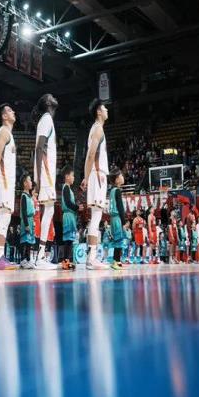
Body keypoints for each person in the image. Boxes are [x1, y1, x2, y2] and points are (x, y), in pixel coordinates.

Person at [80, 99, 110, 270]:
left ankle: (91, 257)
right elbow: (90, 154)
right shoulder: (98, 128)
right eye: (104, 108)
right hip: (97, 174)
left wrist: (86, 176)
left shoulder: (96, 128)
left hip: (95, 174)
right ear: (99, 112)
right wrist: (86, 176)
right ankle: (92, 258)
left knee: (96, 216)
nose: (107, 110)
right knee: (96, 216)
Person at [33, 94, 59, 270]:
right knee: (48, 211)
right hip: (46, 172)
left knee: (49, 211)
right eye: (51, 96)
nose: (54, 97)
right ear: (48, 103)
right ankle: (40, 256)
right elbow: (38, 148)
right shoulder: (47, 119)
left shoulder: (47, 120)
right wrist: (39, 177)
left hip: (46, 172)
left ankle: (40, 255)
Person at [0, 103, 18, 270]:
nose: (13, 112)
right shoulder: (3, 131)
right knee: (3, 216)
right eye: (9, 110)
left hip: (8, 181)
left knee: (6, 217)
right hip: (3, 181)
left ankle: (1, 257)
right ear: (4, 116)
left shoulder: (9, 134)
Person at [61, 165, 80, 270]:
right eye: (72, 175)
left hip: (70, 215)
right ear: (67, 176)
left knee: (70, 240)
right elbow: (68, 203)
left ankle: (67, 261)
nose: (74, 178)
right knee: (68, 240)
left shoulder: (68, 189)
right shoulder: (66, 188)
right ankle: (65, 261)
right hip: (68, 215)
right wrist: (77, 207)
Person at [109, 168, 126, 270]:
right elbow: (120, 207)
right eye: (121, 175)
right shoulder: (118, 191)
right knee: (119, 240)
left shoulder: (112, 191)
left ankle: (117, 261)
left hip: (113, 218)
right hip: (117, 218)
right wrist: (123, 222)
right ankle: (116, 261)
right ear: (117, 180)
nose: (123, 177)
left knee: (117, 240)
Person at [19, 174, 35, 269]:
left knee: (29, 242)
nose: (31, 182)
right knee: (25, 240)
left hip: (31, 220)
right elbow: (24, 211)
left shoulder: (29, 196)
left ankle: (28, 259)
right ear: (25, 183)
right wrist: (26, 224)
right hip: (26, 220)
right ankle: (23, 260)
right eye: (29, 180)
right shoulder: (24, 196)